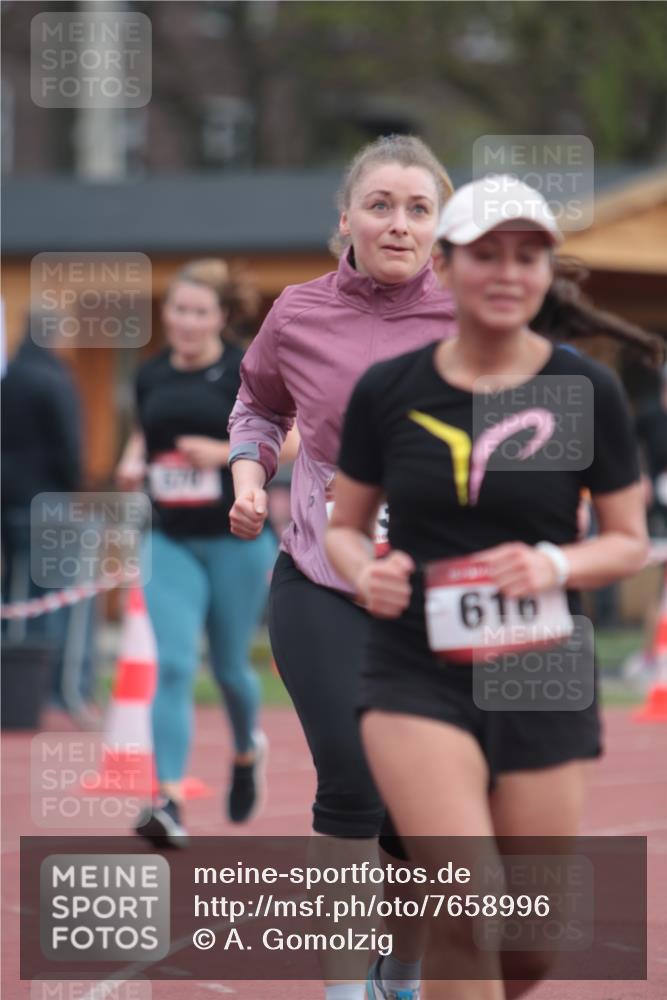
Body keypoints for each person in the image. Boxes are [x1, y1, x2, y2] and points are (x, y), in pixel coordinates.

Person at [326, 176, 657, 999]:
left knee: (527, 948)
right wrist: (368, 572)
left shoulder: (585, 391)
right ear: (443, 265)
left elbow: (627, 542)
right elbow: (342, 527)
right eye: (486, 254)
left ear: (546, 273)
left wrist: (552, 566)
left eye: (527, 255)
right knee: (465, 912)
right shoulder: (390, 390)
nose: (508, 272)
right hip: (415, 671)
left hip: (539, 669)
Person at [228, 135, 457, 1000]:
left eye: (416, 208)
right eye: (380, 205)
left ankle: (397, 974)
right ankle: (336, 989)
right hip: (320, 580)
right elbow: (257, 403)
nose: (397, 224)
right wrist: (251, 477)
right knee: (351, 779)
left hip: (432, 599)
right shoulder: (297, 313)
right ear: (347, 219)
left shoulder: (479, 319)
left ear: (439, 227)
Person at [115, 259, 277, 845]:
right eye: (177, 309)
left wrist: (225, 453)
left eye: (198, 312)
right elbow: (150, 429)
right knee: (176, 663)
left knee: (230, 668)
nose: (185, 321)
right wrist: (135, 457)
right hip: (169, 538)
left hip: (237, 538)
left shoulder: (246, 370)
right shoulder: (150, 373)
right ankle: (169, 801)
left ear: (222, 317)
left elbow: (298, 430)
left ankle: (244, 750)